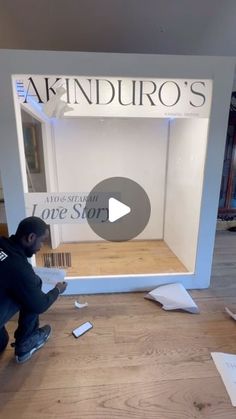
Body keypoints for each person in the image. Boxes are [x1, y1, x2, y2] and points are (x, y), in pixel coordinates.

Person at [0, 216, 67, 363]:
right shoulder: (19, 269)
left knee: (2, 340)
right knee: (33, 287)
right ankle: (25, 343)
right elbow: (39, 305)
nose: (41, 246)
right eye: (42, 241)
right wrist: (57, 290)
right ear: (31, 237)